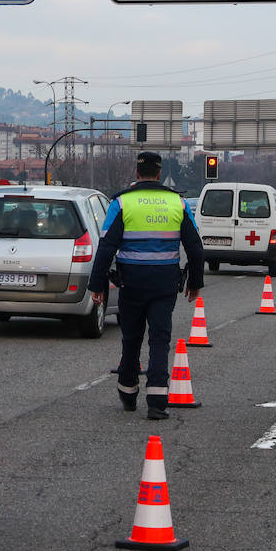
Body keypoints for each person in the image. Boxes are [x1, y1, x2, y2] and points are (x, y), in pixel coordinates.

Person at [88, 151, 204, 420]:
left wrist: (97, 284)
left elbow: (106, 247)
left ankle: (128, 392)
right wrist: (195, 282)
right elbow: (195, 249)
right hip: (165, 283)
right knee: (160, 339)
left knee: (131, 338)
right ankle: (157, 402)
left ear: (137, 173)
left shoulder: (122, 203)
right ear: (160, 173)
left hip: (131, 283)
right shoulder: (178, 203)